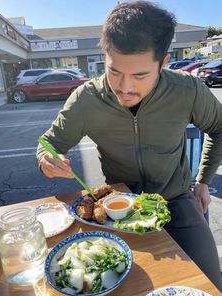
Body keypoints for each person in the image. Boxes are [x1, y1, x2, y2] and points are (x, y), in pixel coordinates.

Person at [37, 1, 222, 291]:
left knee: (210, 284)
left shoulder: (188, 90)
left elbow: (219, 127)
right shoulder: (86, 99)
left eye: (139, 75)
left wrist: (203, 182)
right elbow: (48, 145)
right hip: (117, 209)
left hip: (177, 203)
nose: (124, 88)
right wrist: (48, 161)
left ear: (163, 63)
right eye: (114, 71)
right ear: (105, 56)